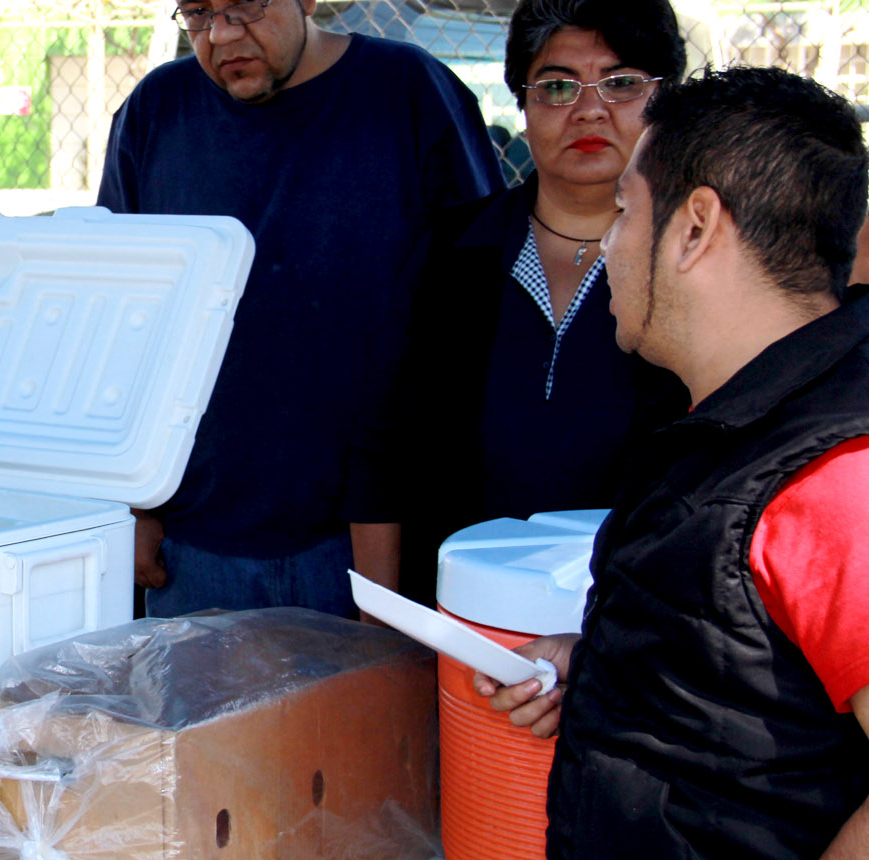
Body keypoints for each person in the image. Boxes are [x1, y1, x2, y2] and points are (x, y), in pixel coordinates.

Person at [475, 66, 869, 859]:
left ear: (694, 229)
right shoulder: (730, 426)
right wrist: (605, 667)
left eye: (625, 211)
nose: (607, 245)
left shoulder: (833, 475)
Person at [96, 0, 502, 618]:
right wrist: (138, 505)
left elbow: (476, 300)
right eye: (199, 14)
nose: (223, 34)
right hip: (199, 534)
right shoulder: (156, 112)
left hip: (377, 537)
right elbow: (122, 316)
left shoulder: (407, 92)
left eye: (245, 6)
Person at [391, 0, 690, 606]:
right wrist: (384, 627)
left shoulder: (698, 259)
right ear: (522, 109)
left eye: (622, 83)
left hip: (634, 625)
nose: (588, 109)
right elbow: (384, 448)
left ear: (667, 102)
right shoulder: (453, 249)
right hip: (460, 616)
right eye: (556, 86)